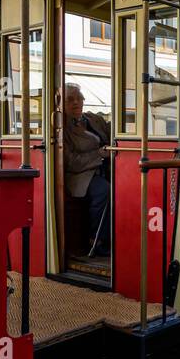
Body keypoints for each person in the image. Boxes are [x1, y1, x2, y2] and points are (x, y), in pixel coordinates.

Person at [63, 83, 112, 259]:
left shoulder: (93, 118)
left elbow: (111, 130)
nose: (76, 102)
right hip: (81, 177)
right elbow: (71, 163)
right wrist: (99, 154)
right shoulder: (62, 128)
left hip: (107, 169)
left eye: (79, 98)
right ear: (61, 103)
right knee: (104, 191)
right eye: (70, 99)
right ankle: (97, 242)